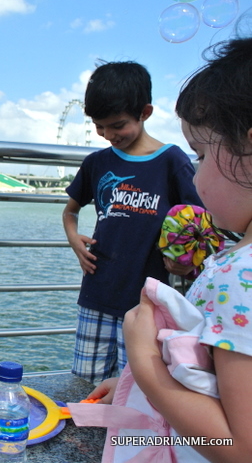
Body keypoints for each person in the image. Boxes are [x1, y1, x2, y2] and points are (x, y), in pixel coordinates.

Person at [89, 37, 252, 461]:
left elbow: (237, 446)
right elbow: (210, 378)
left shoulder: (239, 278)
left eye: (199, 155)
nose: (194, 177)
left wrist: (145, 363)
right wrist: (137, 385)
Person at [62, 60, 202, 385]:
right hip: (96, 294)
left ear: (146, 112)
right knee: (84, 384)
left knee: (139, 385)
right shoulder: (97, 162)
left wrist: (185, 262)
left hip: (147, 304)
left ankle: (128, 439)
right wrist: (73, 237)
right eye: (100, 126)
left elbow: (201, 220)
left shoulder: (172, 161)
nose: (109, 135)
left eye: (118, 125)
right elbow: (70, 210)